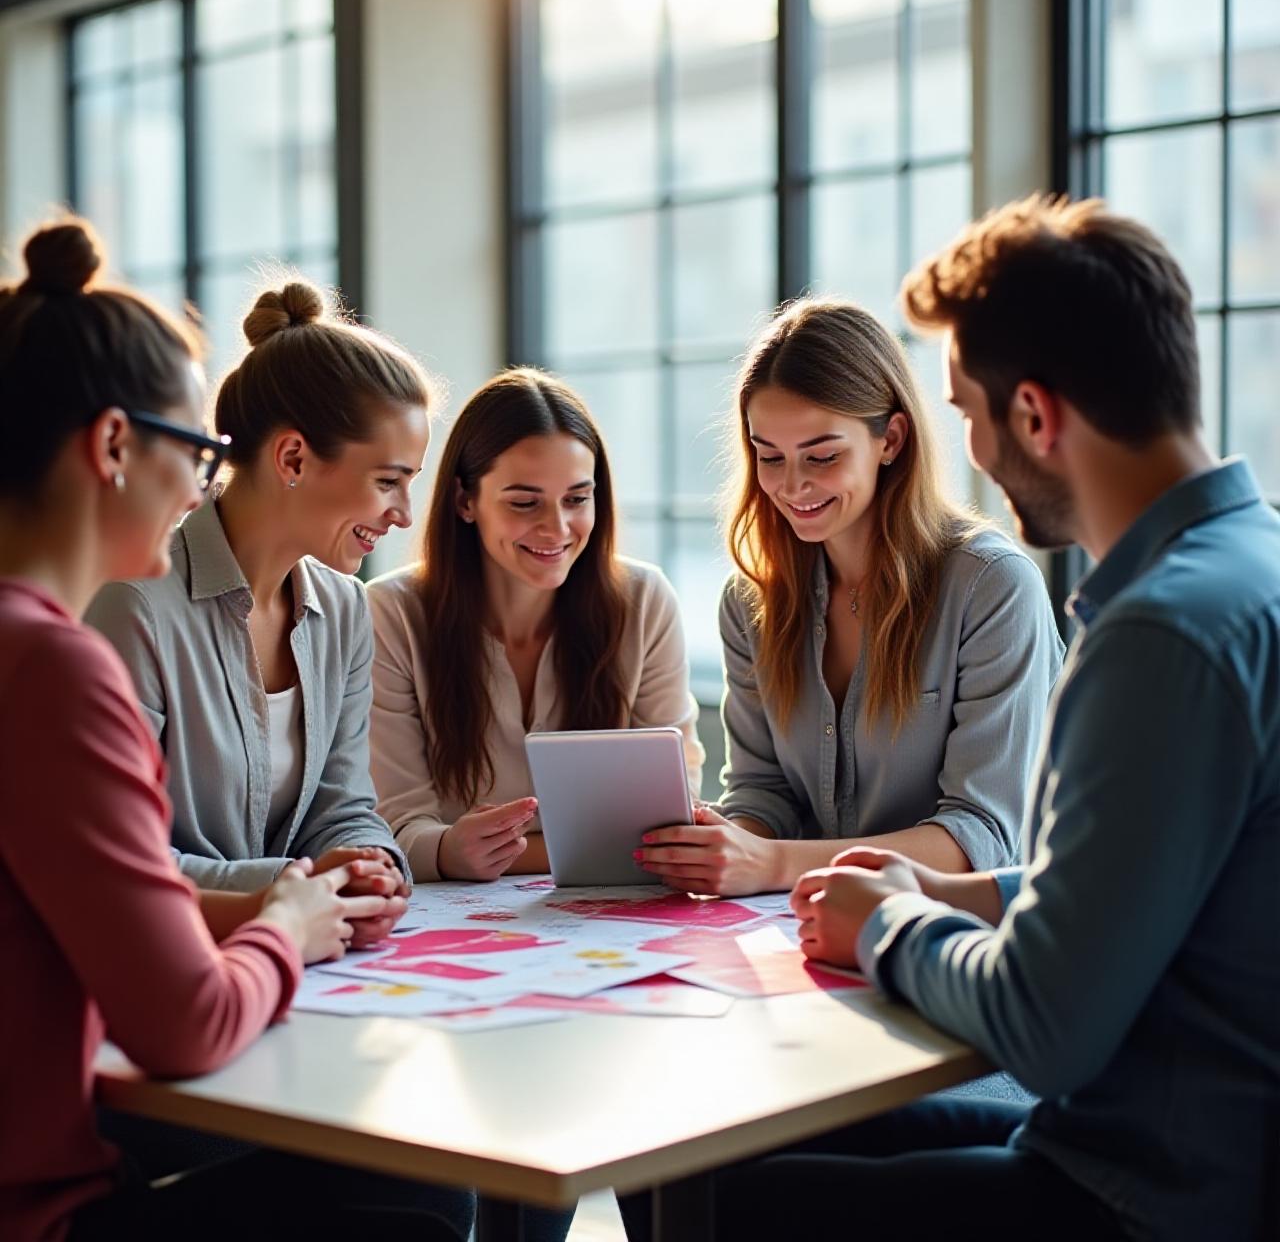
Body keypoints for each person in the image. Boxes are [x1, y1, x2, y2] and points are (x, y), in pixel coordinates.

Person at [733, 197, 1280, 1240]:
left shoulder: (1158, 633)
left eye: (968, 413)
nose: (970, 450)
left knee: (723, 1195)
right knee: (730, 1149)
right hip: (1156, 1141)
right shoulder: (1239, 572)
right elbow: (1147, 862)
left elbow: (1044, 1027)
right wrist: (955, 889)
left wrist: (887, 923)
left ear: (1033, 414)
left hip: (1142, 1188)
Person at [0, 217, 471, 1240]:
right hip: (51, 1194)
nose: (199, 481)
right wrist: (290, 918)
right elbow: (184, 1021)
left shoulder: (336, 610)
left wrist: (354, 860)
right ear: (115, 446)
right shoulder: (58, 657)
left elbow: (344, 797)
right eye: (199, 448)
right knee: (423, 1196)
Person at [635, 298, 1062, 897]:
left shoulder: (991, 587)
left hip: (961, 936)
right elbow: (764, 794)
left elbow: (980, 836)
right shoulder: (751, 600)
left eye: (822, 456)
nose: (792, 485)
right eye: (769, 456)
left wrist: (775, 863)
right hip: (804, 927)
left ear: (890, 439)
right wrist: (724, 844)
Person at [87, 277, 433, 907]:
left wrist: (371, 861)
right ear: (294, 459)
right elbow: (111, 858)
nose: (404, 515)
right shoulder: (134, 606)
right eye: (389, 481)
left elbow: (345, 805)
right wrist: (293, 888)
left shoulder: (347, 609)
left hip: (302, 945)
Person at [369, 366, 703, 883]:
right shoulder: (390, 615)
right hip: (449, 923)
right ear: (465, 501)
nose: (556, 528)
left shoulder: (645, 601)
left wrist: (464, 849)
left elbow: (672, 816)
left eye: (577, 499)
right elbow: (393, 829)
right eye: (524, 503)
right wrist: (443, 850)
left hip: (612, 915)